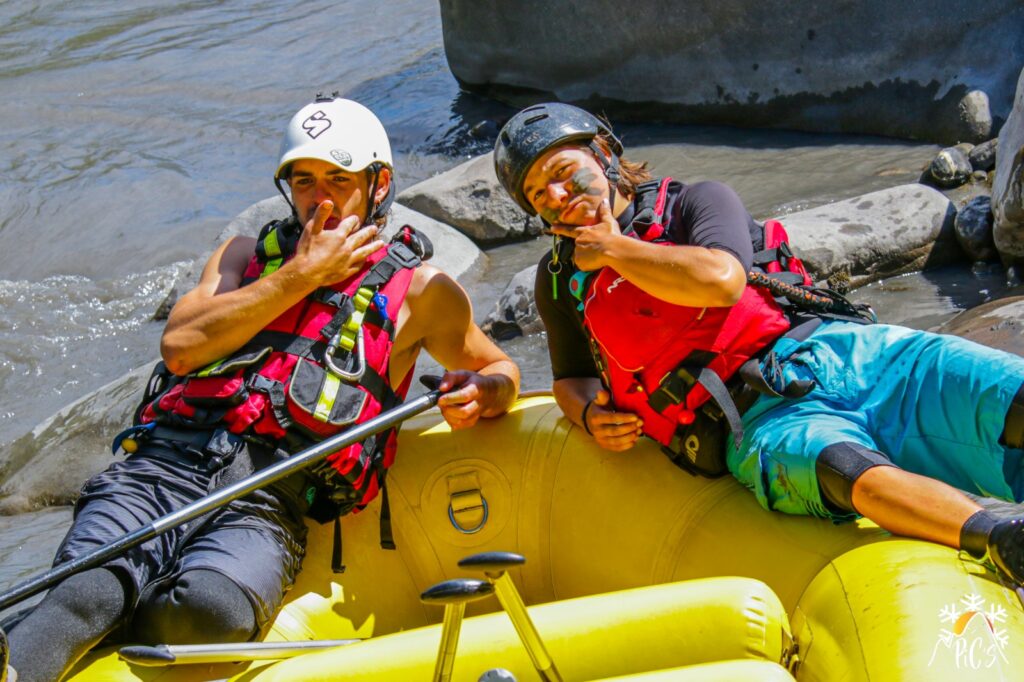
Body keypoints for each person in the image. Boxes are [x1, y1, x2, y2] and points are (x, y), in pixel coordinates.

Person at [3, 96, 519, 682]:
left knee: (207, 615)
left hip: (272, 497)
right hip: (162, 466)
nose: (318, 196)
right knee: (88, 594)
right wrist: (302, 274)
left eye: (337, 179)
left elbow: (499, 366)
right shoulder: (245, 257)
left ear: (379, 185)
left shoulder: (423, 292)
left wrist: (486, 391)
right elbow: (182, 345)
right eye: (303, 180)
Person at [492, 102, 1024, 588]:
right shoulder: (560, 280)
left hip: (841, 354)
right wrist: (588, 416)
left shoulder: (696, 201)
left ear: (604, 155)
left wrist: (612, 248)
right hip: (752, 418)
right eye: (540, 194)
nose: (558, 197)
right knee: (845, 469)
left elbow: (722, 280)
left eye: (563, 174)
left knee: (1011, 398)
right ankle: (1000, 540)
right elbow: (570, 378)